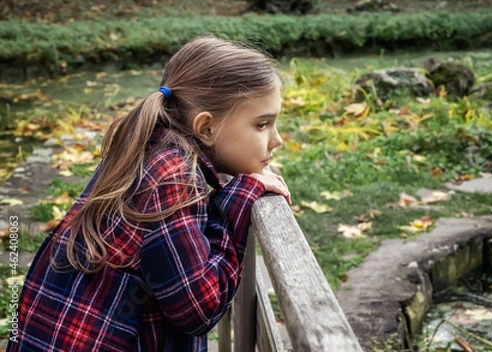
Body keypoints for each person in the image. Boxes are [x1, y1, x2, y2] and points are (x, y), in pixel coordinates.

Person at [7, 36, 291, 352]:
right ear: (206, 128)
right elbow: (198, 308)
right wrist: (237, 200)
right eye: (262, 124)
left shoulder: (148, 147)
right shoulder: (173, 176)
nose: (277, 139)